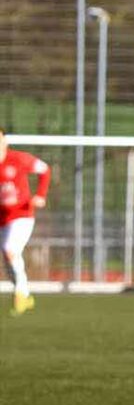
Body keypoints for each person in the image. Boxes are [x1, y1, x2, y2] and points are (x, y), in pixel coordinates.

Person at [0, 129, 50, 316]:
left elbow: (44, 169)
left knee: (9, 249)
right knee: (8, 259)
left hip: (22, 215)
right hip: (2, 219)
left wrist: (40, 195)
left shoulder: (18, 159)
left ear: (4, 143)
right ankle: (25, 295)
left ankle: (20, 294)